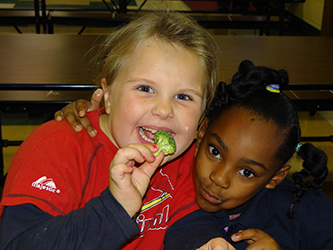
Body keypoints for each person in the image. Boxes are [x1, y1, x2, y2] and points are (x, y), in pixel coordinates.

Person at [0, 11, 221, 250]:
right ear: (108, 93)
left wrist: (206, 242)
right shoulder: (55, 147)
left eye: (183, 96)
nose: (164, 110)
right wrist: (115, 209)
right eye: (145, 88)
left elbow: (189, 223)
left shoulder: (185, 157)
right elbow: (18, 243)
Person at [163, 60, 333, 249]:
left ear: (275, 177)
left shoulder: (305, 211)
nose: (219, 178)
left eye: (246, 172)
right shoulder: (166, 190)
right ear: (202, 133)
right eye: (215, 152)